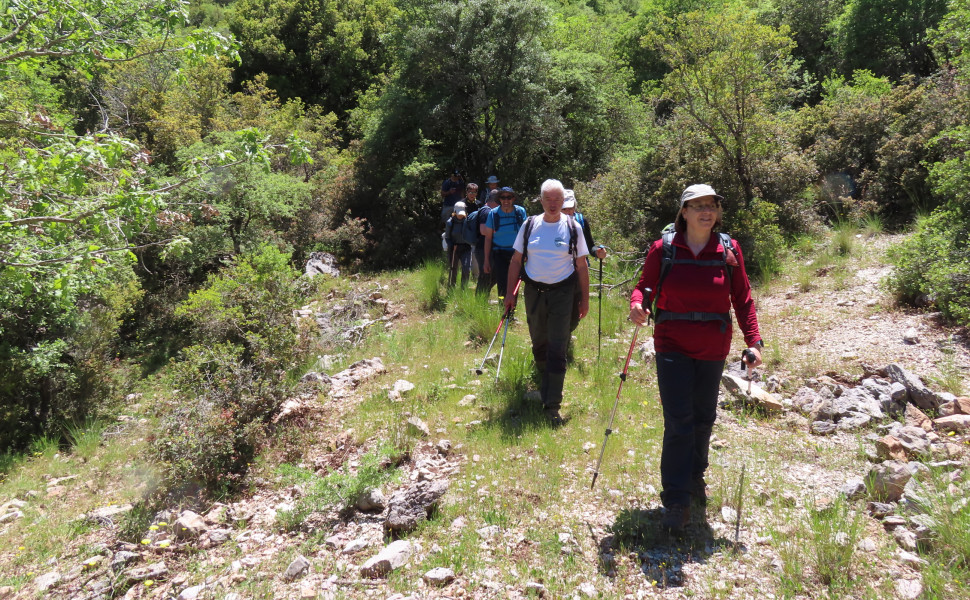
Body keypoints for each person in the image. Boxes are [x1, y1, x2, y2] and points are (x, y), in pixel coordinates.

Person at [628, 183, 764, 533]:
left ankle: (694, 475)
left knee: (704, 417)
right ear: (683, 212)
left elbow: (743, 298)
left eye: (712, 205)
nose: (706, 211)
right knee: (679, 420)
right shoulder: (665, 248)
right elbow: (645, 285)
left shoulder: (729, 249)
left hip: (713, 346)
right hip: (672, 342)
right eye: (698, 205)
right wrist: (637, 304)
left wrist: (754, 342)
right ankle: (676, 499)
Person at [505, 179, 590, 424]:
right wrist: (510, 294)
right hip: (533, 291)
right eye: (548, 199)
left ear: (563, 201)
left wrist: (584, 300)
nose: (553, 204)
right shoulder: (530, 225)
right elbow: (515, 261)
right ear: (541, 201)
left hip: (563, 293)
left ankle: (552, 403)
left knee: (558, 344)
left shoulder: (573, 227)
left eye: (557, 199)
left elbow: (581, 266)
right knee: (538, 340)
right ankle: (544, 376)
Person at [483, 186, 527, 299]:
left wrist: (526, 253)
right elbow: (488, 238)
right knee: (502, 282)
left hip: (517, 253)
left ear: (513, 199)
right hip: (499, 253)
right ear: (499, 199)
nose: (506, 200)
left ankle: (511, 312)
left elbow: (526, 234)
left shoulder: (520, 212)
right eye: (503, 197)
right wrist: (486, 260)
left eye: (509, 197)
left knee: (516, 282)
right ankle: (504, 312)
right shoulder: (493, 214)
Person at [562, 189, 607, 262]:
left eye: (570, 208)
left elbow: (590, 246)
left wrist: (597, 252)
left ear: (575, 206)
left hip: (580, 266)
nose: (568, 212)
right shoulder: (553, 223)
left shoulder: (581, 220)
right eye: (564, 209)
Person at [473, 189, 500, 295]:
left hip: (486, 249)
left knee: (493, 275)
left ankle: (483, 297)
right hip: (482, 249)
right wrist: (501, 231)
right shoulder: (486, 211)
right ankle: (479, 302)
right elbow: (483, 230)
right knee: (485, 275)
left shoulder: (489, 211)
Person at [444, 201, 473, 288]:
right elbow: (447, 237)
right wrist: (452, 245)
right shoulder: (450, 222)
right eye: (459, 213)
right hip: (454, 248)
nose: (461, 215)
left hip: (466, 247)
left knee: (466, 268)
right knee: (453, 268)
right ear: (455, 212)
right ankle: (451, 287)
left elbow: (471, 234)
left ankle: (463, 288)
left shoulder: (468, 222)